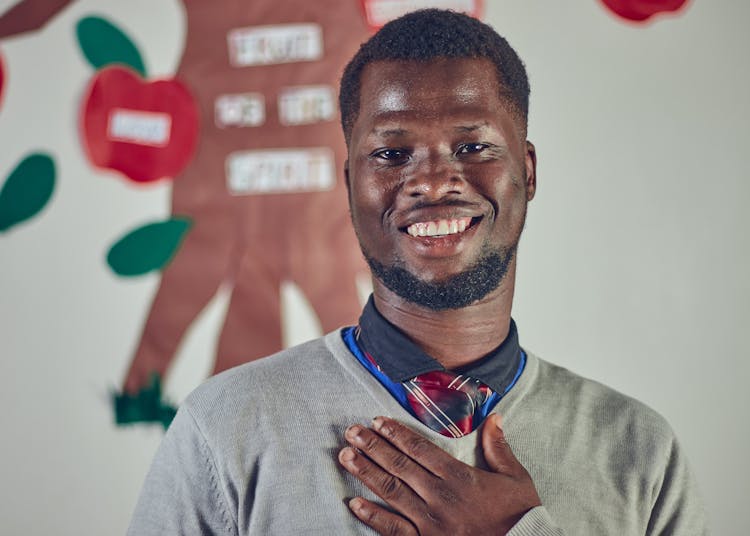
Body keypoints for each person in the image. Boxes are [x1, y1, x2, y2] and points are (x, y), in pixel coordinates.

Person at [128, 9, 708, 535]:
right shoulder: (224, 430)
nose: (432, 182)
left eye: (473, 146)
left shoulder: (638, 452)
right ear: (350, 181)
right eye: (391, 153)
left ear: (527, 172)